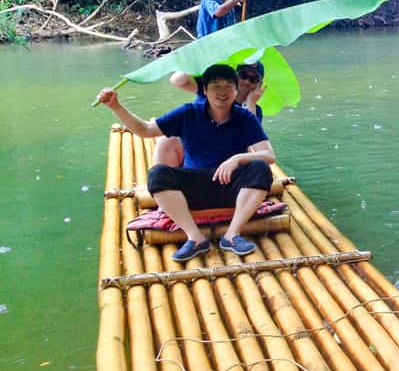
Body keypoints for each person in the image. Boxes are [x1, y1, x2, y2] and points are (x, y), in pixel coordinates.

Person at [96, 64, 275, 262]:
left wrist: (237, 158)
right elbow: (145, 130)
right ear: (205, 90)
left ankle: (232, 235)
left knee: (260, 168)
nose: (223, 93)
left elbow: (268, 155)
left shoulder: (245, 117)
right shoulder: (188, 113)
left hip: (230, 188)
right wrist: (115, 106)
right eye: (216, 86)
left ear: (235, 91)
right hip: (194, 189)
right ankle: (195, 238)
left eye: (228, 87)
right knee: (158, 173)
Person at [154, 61, 265, 167]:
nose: (247, 82)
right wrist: (201, 60)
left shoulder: (254, 110)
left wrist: (251, 102)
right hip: (194, 147)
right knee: (166, 140)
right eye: (243, 75)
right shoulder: (212, 89)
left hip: (228, 154)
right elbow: (177, 81)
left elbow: (253, 139)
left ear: (259, 85)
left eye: (253, 79)